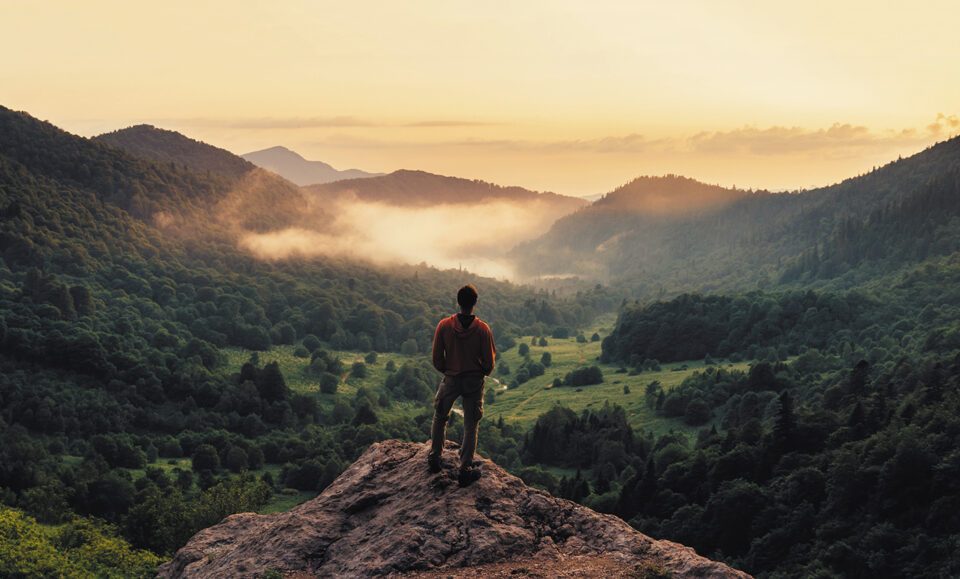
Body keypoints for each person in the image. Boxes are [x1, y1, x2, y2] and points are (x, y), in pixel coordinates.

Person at [428, 284, 496, 486]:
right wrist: (479, 372)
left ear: (458, 302)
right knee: (471, 424)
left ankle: (434, 458)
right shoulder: (483, 329)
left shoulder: (444, 326)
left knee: (440, 417)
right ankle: (465, 467)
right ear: (475, 303)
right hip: (473, 381)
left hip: (451, 379)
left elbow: (437, 358)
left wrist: (449, 371)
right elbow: (489, 363)